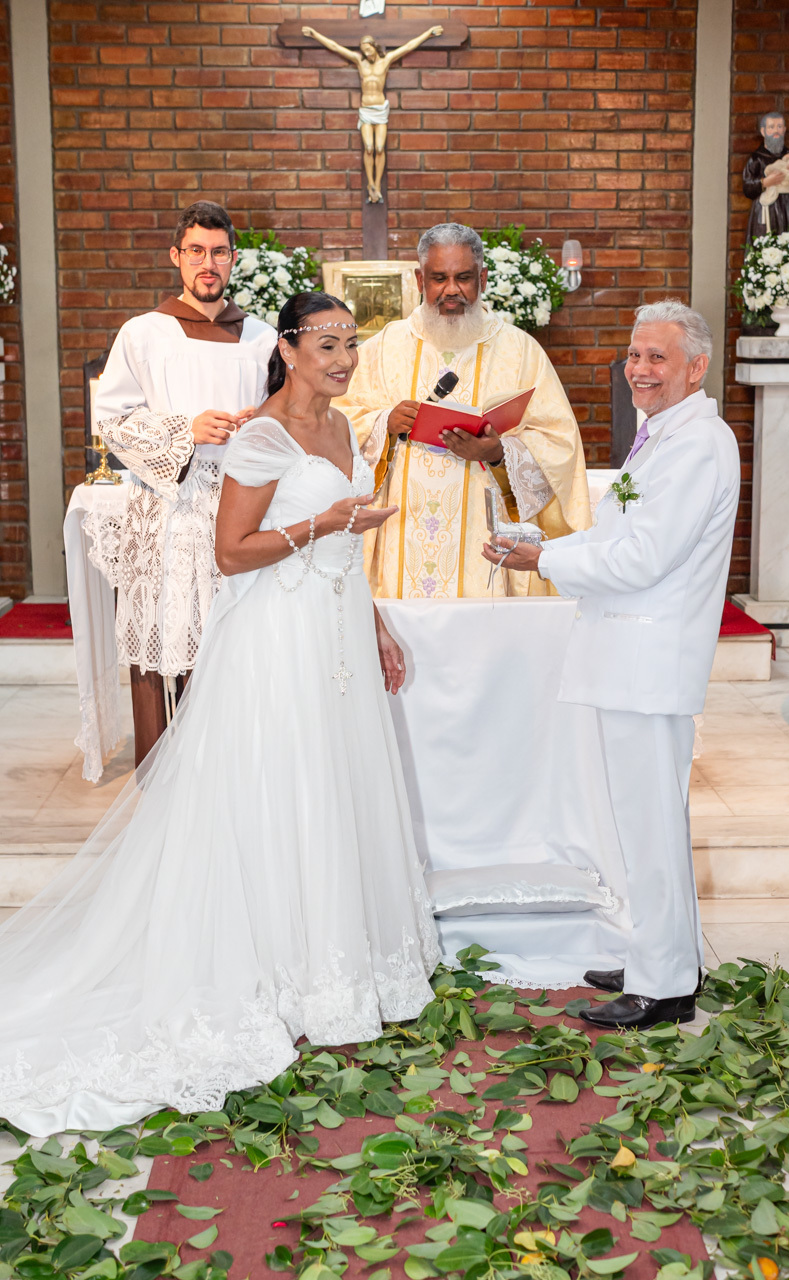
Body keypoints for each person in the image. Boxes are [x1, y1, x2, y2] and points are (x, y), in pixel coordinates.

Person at [0, 292, 439, 1137]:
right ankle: (281, 970)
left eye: (353, 344)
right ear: (289, 347)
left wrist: (376, 621)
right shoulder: (260, 435)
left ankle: (338, 965)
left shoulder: (346, 431)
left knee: (338, 786)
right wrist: (322, 521)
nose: (344, 359)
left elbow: (349, 542)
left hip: (338, 628)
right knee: (286, 788)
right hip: (276, 638)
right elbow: (231, 554)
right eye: (327, 344)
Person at [484, 300, 740, 1030]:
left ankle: (663, 987)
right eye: (633, 355)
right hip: (628, 651)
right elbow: (622, 530)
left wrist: (546, 557)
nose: (639, 369)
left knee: (652, 821)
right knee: (640, 820)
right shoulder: (660, 437)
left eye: (657, 358)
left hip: (650, 655)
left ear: (696, 366)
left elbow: (645, 558)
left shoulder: (697, 445)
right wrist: (554, 545)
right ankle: (662, 955)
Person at [89, 200, 277, 766]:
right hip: (171, 507)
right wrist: (184, 430)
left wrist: (255, 427)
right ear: (177, 257)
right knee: (166, 640)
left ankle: (231, 772)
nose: (208, 263)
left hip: (241, 509)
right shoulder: (145, 333)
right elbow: (112, 418)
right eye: (195, 251)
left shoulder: (263, 338)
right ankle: (161, 777)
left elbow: (283, 419)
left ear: (233, 259)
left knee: (233, 641)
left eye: (218, 252)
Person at [335, 223, 591, 598]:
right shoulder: (384, 347)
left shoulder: (521, 352)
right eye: (439, 278)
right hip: (400, 534)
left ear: (483, 278)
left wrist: (500, 451)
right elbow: (336, 418)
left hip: (482, 543)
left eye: (463, 277)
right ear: (420, 279)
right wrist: (382, 423)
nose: (451, 290)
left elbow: (559, 444)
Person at [300, 27, 443, 203]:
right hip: (366, 110)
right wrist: (314, 33)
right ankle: (370, 184)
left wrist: (428, 33)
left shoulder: (386, 60)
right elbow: (335, 46)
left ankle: (377, 184)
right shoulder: (360, 61)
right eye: (363, 50)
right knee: (369, 147)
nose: (366, 53)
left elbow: (408, 46)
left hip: (380, 110)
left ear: (374, 47)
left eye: (368, 49)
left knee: (379, 148)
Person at [743, 111, 789, 242]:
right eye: (771, 127)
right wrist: (765, 182)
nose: (776, 131)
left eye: (779, 127)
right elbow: (747, 187)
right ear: (763, 131)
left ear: (784, 130)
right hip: (765, 210)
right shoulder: (756, 158)